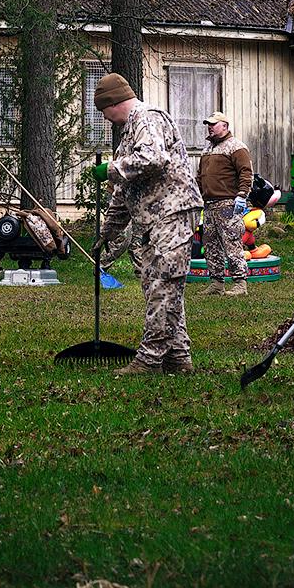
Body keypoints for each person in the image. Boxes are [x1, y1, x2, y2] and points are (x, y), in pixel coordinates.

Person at [91, 73, 203, 375]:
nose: (105, 117)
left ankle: (149, 359)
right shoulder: (130, 132)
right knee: (161, 285)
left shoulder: (147, 118)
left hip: (173, 211)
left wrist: (111, 169)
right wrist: (108, 231)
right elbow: (126, 191)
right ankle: (178, 357)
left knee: (163, 285)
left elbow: (153, 159)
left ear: (113, 103)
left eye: (103, 110)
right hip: (154, 218)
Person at [196, 111, 254, 296]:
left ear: (225, 126)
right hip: (209, 205)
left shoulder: (236, 147)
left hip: (228, 204)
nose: (210, 127)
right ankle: (216, 283)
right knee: (211, 244)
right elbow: (200, 177)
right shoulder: (207, 150)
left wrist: (242, 195)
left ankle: (240, 284)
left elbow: (246, 172)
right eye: (208, 124)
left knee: (232, 243)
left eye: (214, 124)